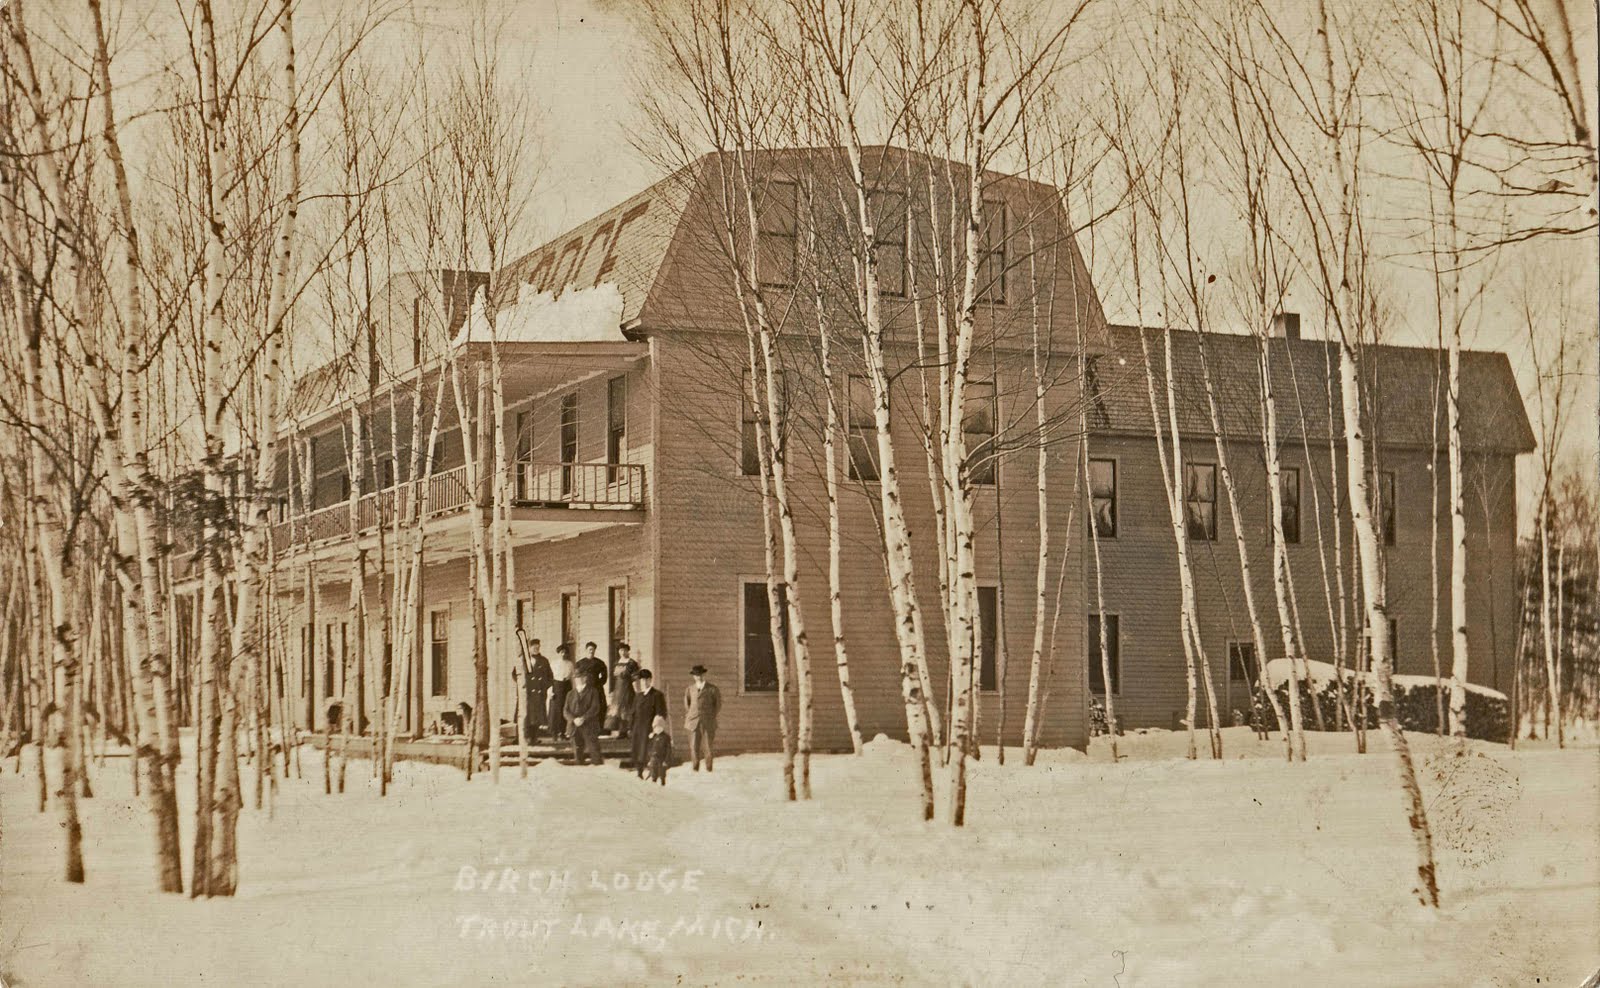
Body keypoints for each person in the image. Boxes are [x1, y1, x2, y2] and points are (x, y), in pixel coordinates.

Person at [513, 630, 553, 747]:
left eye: (537, 647)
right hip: (526, 693)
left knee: (536, 717)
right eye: (533, 647)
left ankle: (534, 738)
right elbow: (515, 674)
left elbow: (550, 677)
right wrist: (521, 684)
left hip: (539, 693)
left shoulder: (544, 661)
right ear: (529, 648)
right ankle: (522, 737)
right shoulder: (523, 660)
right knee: (524, 716)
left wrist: (543, 686)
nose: (536, 649)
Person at [629, 669, 668, 777]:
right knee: (637, 750)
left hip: (649, 728)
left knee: (648, 751)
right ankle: (639, 772)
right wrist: (630, 727)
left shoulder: (657, 695)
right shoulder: (638, 696)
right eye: (642, 680)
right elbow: (633, 712)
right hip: (637, 728)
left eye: (646, 680)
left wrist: (656, 729)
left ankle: (652, 773)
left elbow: (661, 713)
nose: (644, 682)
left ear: (650, 680)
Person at [683, 664, 721, 772]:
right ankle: (695, 768)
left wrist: (710, 715)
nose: (698, 677)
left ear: (704, 674)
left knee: (708, 746)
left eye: (700, 674)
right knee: (694, 746)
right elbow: (687, 705)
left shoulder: (712, 689)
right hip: (693, 721)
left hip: (708, 721)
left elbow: (717, 705)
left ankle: (709, 768)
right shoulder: (690, 689)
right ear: (693, 677)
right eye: (696, 675)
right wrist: (692, 715)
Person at [563, 671, 604, 766]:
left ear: (585, 678)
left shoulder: (593, 691)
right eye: (576, 678)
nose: (578, 680)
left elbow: (595, 708)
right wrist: (573, 719)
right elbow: (565, 711)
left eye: (580, 677)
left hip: (589, 726)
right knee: (577, 753)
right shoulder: (570, 693)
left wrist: (583, 718)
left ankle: (599, 773)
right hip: (574, 727)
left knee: (595, 751)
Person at [609, 643, 640, 738]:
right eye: (620, 650)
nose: (622, 652)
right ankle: (620, 731)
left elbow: (635, 678)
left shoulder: (631, 663)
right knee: (617, 710)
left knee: (626, 709)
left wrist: (637, 690)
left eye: (624, 650)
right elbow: (614, 677)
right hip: (618, 690)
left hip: (627, 689)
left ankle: (627, 731)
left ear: (628, 651)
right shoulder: (616, 663)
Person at [548, 643, 575, 739]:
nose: (563, 654)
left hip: (567, 686)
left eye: (564, 652)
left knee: (565, 708)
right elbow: (550, 678)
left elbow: (572, 678)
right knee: (556, 710)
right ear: (558, 653)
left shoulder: (570, 664)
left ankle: (563, 732)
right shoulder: (554, 663)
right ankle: (554, 732)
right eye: (561, 652)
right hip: (557, 686)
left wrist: (573, 690)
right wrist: (550, 691)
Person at [645, 714, 672, 786]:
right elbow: (649, 748)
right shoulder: (653, 737)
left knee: (662, 773)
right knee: (654, 772)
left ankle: (663, 783)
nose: (658, 728)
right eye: (656, 727)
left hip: (662, 758)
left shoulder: (666, 737)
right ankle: (654, 783)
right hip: (654, 758)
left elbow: (669, 750)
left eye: (660, 727)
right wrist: (649, 759)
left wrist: (666, 760)